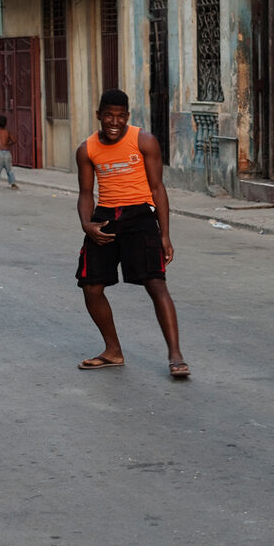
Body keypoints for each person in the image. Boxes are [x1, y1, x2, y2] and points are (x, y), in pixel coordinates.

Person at [75, 89, 190, 377]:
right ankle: (113, 351)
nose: (114, 122)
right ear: (99, 115)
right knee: (90, 287)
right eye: (109, 116)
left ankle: (175, 355)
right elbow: (86, 193)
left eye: (120, 116)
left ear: (127, 116)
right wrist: (87, 224)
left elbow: (157, 188)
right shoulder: (87, 149)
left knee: (156, 284)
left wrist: (165, 235)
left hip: (140, 215)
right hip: (105, 218)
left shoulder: (144, 141)